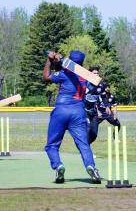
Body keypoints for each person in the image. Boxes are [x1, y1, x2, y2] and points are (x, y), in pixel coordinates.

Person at [43, 50, 101, 184]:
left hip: (61, 111)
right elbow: (96, 81)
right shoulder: (85, 76)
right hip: (78, 112)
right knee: (83, 144)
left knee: (52, 145)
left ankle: (58, 166)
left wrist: (50, 60)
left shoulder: (64, 74)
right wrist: (60, 61)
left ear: (70, 61)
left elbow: (46, 77)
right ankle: (91, 166)